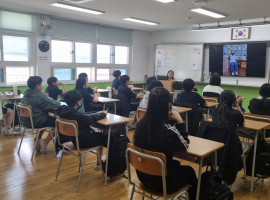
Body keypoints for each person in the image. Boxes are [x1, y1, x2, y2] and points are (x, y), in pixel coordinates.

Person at [133, 87, 197, 199]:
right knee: (190, 171)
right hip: (163, 183)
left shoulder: (140, 125)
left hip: (143, 177)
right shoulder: (168, 131)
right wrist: (180, 122)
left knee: (175, 164)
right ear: (168, 105)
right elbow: (185, 144)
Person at [58, 90, 108, 168]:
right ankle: (109, 166)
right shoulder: (77, 116)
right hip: (84, 141)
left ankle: (99, 163)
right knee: (108, 139)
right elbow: (88, 118)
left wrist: (97, 112)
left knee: (100, 136)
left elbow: (82, 115)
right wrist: (103, 114)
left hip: (74, 140)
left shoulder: (64, 112)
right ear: (78, 102)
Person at [21, 76, 61, 153]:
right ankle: (45, 142)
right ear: (37, 85)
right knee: (58, 122)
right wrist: (57, 102)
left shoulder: (26, 94)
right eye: (41, 84)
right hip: (36, 121)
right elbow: (55, 104)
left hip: (26, 121)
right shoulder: (38, 95)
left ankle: (37, 140)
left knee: (47, 117)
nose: (41, 86)